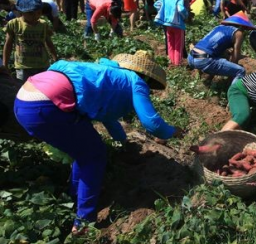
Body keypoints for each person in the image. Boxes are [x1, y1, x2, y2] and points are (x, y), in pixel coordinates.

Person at [13, 50, 185, 235]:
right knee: (94, 155)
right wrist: (173, 131)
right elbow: (152, 123)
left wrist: (122, 140)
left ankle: (74, 196)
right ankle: (84, 221)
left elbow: (108, 117)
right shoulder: (136, 82)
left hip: (24, 100)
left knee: (83, 151)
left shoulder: (105, 73)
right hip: (46, 106)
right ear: (147, 78)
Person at [3, 0, 58, 81]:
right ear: (21, 11)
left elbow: (49, 42)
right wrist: (5, 64)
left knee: (41, 89)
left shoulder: (43, 24)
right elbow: (8, 44)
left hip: (42, 65)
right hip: (23, 66)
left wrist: (55, 58)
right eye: (30, 13)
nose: (35, 16)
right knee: (24, 89)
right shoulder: (14, 24)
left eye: (38, 13)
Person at [188, 11, 254, 82]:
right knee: (240, 71)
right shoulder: (238, 33)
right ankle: (234, 92)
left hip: (191, 57)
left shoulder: (219, 27)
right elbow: (235, 55)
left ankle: (208, 80)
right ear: (242, 26)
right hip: (204, 60)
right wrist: (231, 73)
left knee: (218, 56)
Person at [154, 0, 190, 66]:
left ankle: (171, 61)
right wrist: (186, 15)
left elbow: (156, 4)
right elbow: (181, 9)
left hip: (167, 24)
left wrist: (163, 12)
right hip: (178, 25)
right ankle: (177, 64)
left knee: (170, 43)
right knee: (178, 45)